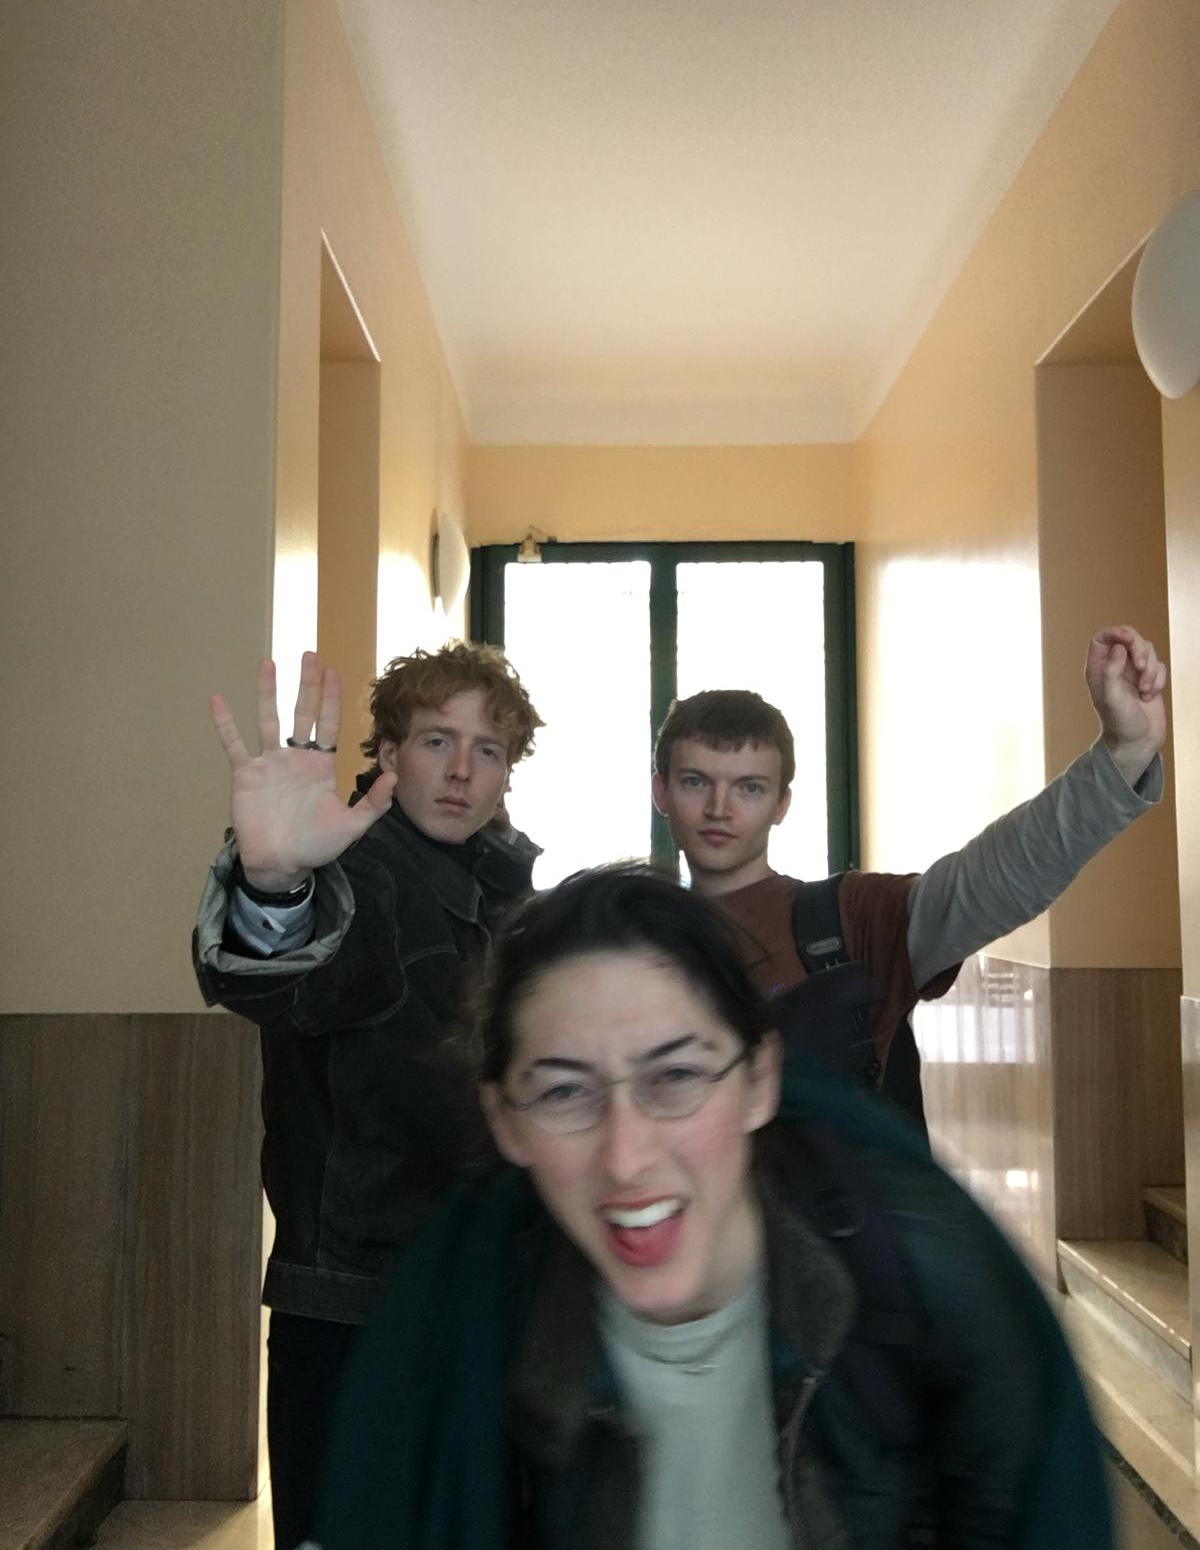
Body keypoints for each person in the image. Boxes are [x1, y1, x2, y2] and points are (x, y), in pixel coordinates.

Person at [313, 865, 1114, 1550]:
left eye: (677, 1077)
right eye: (564, 1091)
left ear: (759, 1079)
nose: (626, 1157)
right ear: (505, 1121)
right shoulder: (468, 1331)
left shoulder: (925, 1275)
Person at [192, 641, 543, 1550]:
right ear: (387, 756)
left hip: (482, 1293)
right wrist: (272, 885)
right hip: (354, 1311)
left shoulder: (506, 897)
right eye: (436, 741)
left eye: (488, 750)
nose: (462, 771)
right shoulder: (357, 878)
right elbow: (273, 972)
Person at [651, 624, 1168, 1131]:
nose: (719, 808)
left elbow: (996, 875)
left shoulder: (851, 918)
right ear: (661, 792)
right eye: (696, 781)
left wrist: (1124, 755)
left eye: (749, 788)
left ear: (782, 804)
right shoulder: (628, 938)